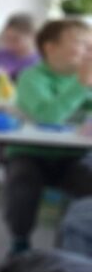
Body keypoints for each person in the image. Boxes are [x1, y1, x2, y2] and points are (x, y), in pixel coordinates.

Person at [5, 18, 92, 254]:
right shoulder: (31, 77)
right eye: (80, 43)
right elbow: (48, 117)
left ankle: (77, 248)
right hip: (31, 154)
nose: (88, 49)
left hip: (74, 157)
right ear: (50, 48)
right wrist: (81, 85)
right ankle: (20, 242)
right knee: (23, 183)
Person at [0, 13, 40, 85]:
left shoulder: (40, 61)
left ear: (33, 37)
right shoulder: (0, 54)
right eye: (7, 38)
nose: (10, 44)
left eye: (15, 39)